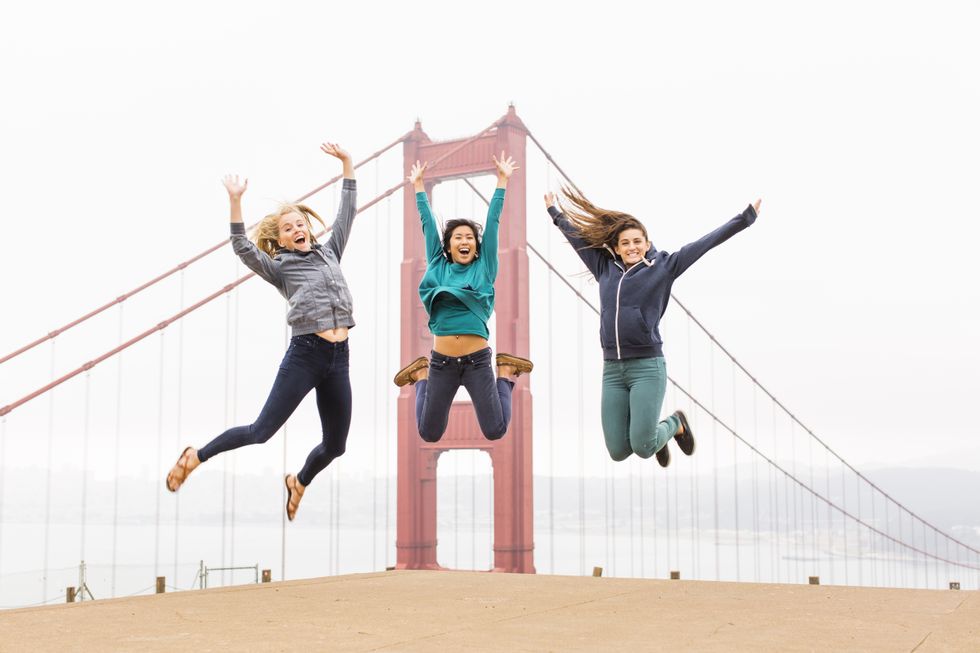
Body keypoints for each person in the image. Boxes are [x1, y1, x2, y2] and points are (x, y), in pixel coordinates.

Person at [165, 142, 357, 521]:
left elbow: (347, 212)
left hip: (339, 358)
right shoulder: (280, 267)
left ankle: (299, 481)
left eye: (300, 223)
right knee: (261, 431)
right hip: (306, 355)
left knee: (336, 446)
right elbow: (241, 246)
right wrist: (236, 201)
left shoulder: (330, 251)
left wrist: (347, 164)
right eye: (288, 228)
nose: (296, 229)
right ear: (280, 240)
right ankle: (195, 456)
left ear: (308, 228)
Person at [545, 187, 761, 466]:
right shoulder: (604, 269)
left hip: (646, 367)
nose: (632, 247)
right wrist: (555, 214)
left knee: (644, 446)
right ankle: (655, 431)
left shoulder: (665, 267)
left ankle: (675, 423)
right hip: (612, 370)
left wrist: (745, 218)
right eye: (625, 243)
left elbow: (705, 243)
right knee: (618, 451)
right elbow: (576, 239)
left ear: (647, 243)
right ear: (617, 248)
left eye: (637, 241)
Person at [393, 152, 533, 443]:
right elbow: (427, 224)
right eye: (458, 237)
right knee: (428, 433)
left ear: (476, 245)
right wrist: (418, 186)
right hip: (441, 362)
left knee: (495, 430)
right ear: (447, 245)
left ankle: (505, 373)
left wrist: (502, 181)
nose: (465, 241)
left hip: (477, 362)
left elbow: (493, 223)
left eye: (469, 237)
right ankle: (420, 377)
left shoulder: (485, 268)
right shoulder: (437, 265)